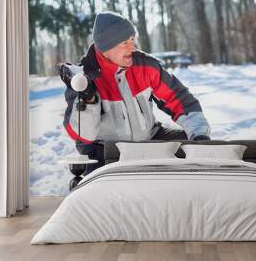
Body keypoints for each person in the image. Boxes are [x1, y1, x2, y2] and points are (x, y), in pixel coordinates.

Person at [59, 11, 211, 175]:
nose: (132, 46)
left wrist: (199, 137)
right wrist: (88, 99)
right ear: (106, 47)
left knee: (190, 147)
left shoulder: (145, 66)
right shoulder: (83, 79)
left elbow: (181, 100)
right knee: (113, 186)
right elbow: (83, 135)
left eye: (132, 40)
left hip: (149, 139)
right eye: (125, 42)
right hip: (106, 151)